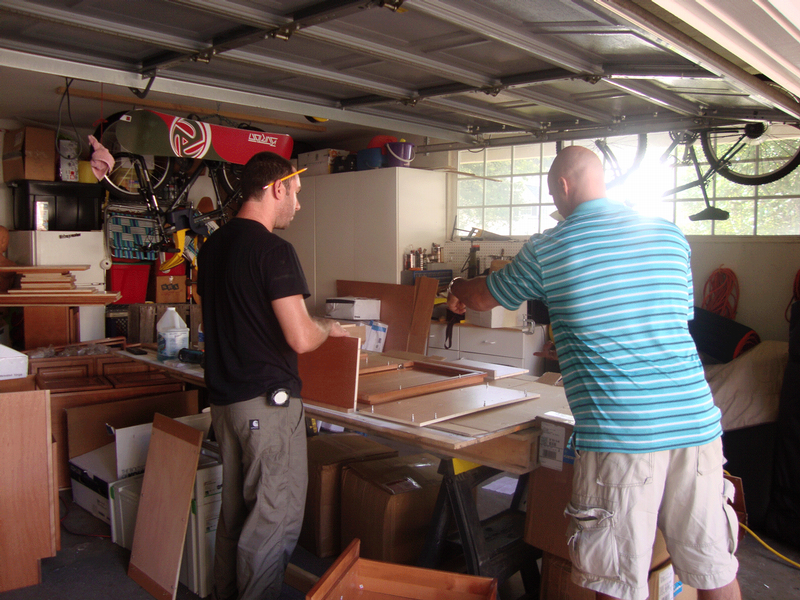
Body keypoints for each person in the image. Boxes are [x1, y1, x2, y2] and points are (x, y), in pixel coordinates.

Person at [447, 146, 741, 600]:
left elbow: (486, 296)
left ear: (562, 187)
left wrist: (456, 289)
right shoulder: (669, 236)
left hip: (621, 437)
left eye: (552, 195)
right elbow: (674, 319)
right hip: (697, 427)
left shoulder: (550, 248)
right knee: (713, 568)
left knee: (614, 583)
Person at [197, 151, 349, 600]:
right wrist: (328, 327)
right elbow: (301, 337)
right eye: (296, 194)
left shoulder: (212, 248)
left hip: (224, 406)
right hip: (267, 407)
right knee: (271, 522)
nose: (298, 206)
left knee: (235, 517)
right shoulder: (274, 251)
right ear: (276, 188)